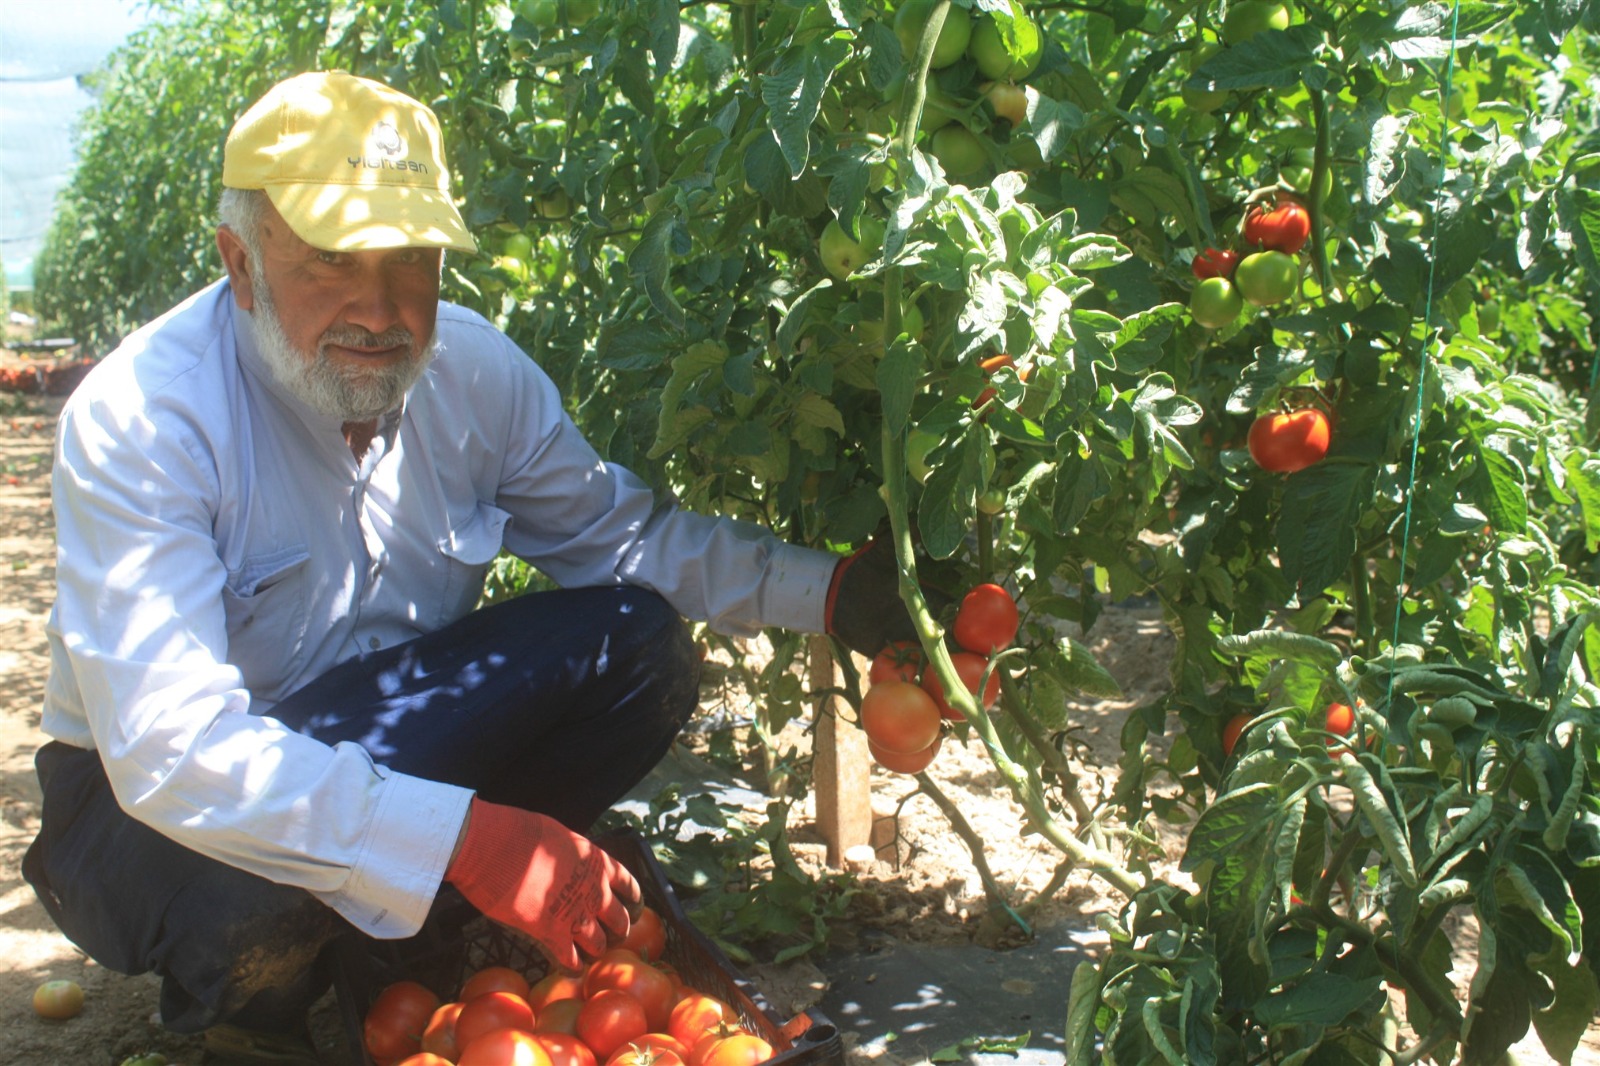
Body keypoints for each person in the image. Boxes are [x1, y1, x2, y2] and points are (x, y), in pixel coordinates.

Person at [22, 70, 915, 1064]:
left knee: (635, 641)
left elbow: (626, 543)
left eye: (413, 258)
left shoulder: (475, 378)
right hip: (136, 817)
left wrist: (831, 591)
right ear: (239, 263)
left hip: (385, 731)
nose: (381, 304)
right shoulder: (147, 418)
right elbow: (171, 752)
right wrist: (468, 840)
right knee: (254, 868)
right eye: (329, 259)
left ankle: (414, 937)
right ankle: (260, 997)